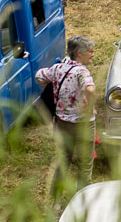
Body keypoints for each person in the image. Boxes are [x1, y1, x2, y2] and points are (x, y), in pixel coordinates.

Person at [35, 35, 95, 187]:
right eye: (90, 51)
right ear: (79, 53)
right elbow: (89, 89)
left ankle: (54, 202)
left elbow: (39, 76)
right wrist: (91, 105)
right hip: (83, 124)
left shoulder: (58, 68)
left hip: (62, 123)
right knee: (85, 164)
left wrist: (52, 91)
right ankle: (82, 199)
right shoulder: (82, 72)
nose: (92, 54)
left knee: (63, 163)